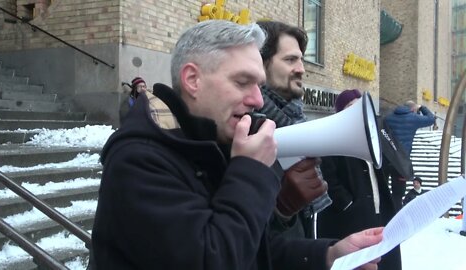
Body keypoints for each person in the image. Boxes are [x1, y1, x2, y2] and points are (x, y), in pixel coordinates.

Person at [92, 20, 383, 270]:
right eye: (243, 82)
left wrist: (328, 256)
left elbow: (252, 252)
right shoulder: (138, 160)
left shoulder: (208, 143)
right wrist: (250, 171)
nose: (258, 100)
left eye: (259, 84)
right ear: (192, 79)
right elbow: (214, 259)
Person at [256, 20, 330, 239]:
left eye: (301, 60)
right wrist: (282, 210)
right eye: (290, 60)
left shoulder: (296, 119)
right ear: (260, 64)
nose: (301, 69)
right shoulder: (245, 127)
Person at [317, 89, 402, 270]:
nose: (357, 110)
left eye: (359, 105)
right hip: (348, 220)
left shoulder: (372, 135)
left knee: (381, 260)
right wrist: (347, 204)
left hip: (377, 214)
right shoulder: (332, 136)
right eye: (350, 106)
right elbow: (327, 176)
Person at [385, 100, 435, 209]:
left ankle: (382, 217)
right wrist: (421, 107)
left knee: (382, 190)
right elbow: (431, 119)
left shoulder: (388, 117)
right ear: (413, 109)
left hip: (386, 158)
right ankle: (395, 218)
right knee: (398, 194)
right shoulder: (413, 118)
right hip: (401, 163)